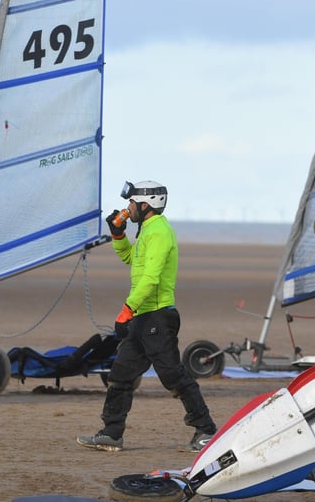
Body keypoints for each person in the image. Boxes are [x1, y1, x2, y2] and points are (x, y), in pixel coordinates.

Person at [76, 180, 217, 453]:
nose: (127, 208)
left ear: (146, 203)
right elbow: (131, 259)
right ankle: (112, 433)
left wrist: (126, 309)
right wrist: (118, 235)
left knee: (171, 375)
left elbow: (151, 278)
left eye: (131, 203)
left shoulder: (160, 232)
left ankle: (206, 430)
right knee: (121, 373)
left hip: (158, 316)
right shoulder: (146, 231)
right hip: (142, 317)